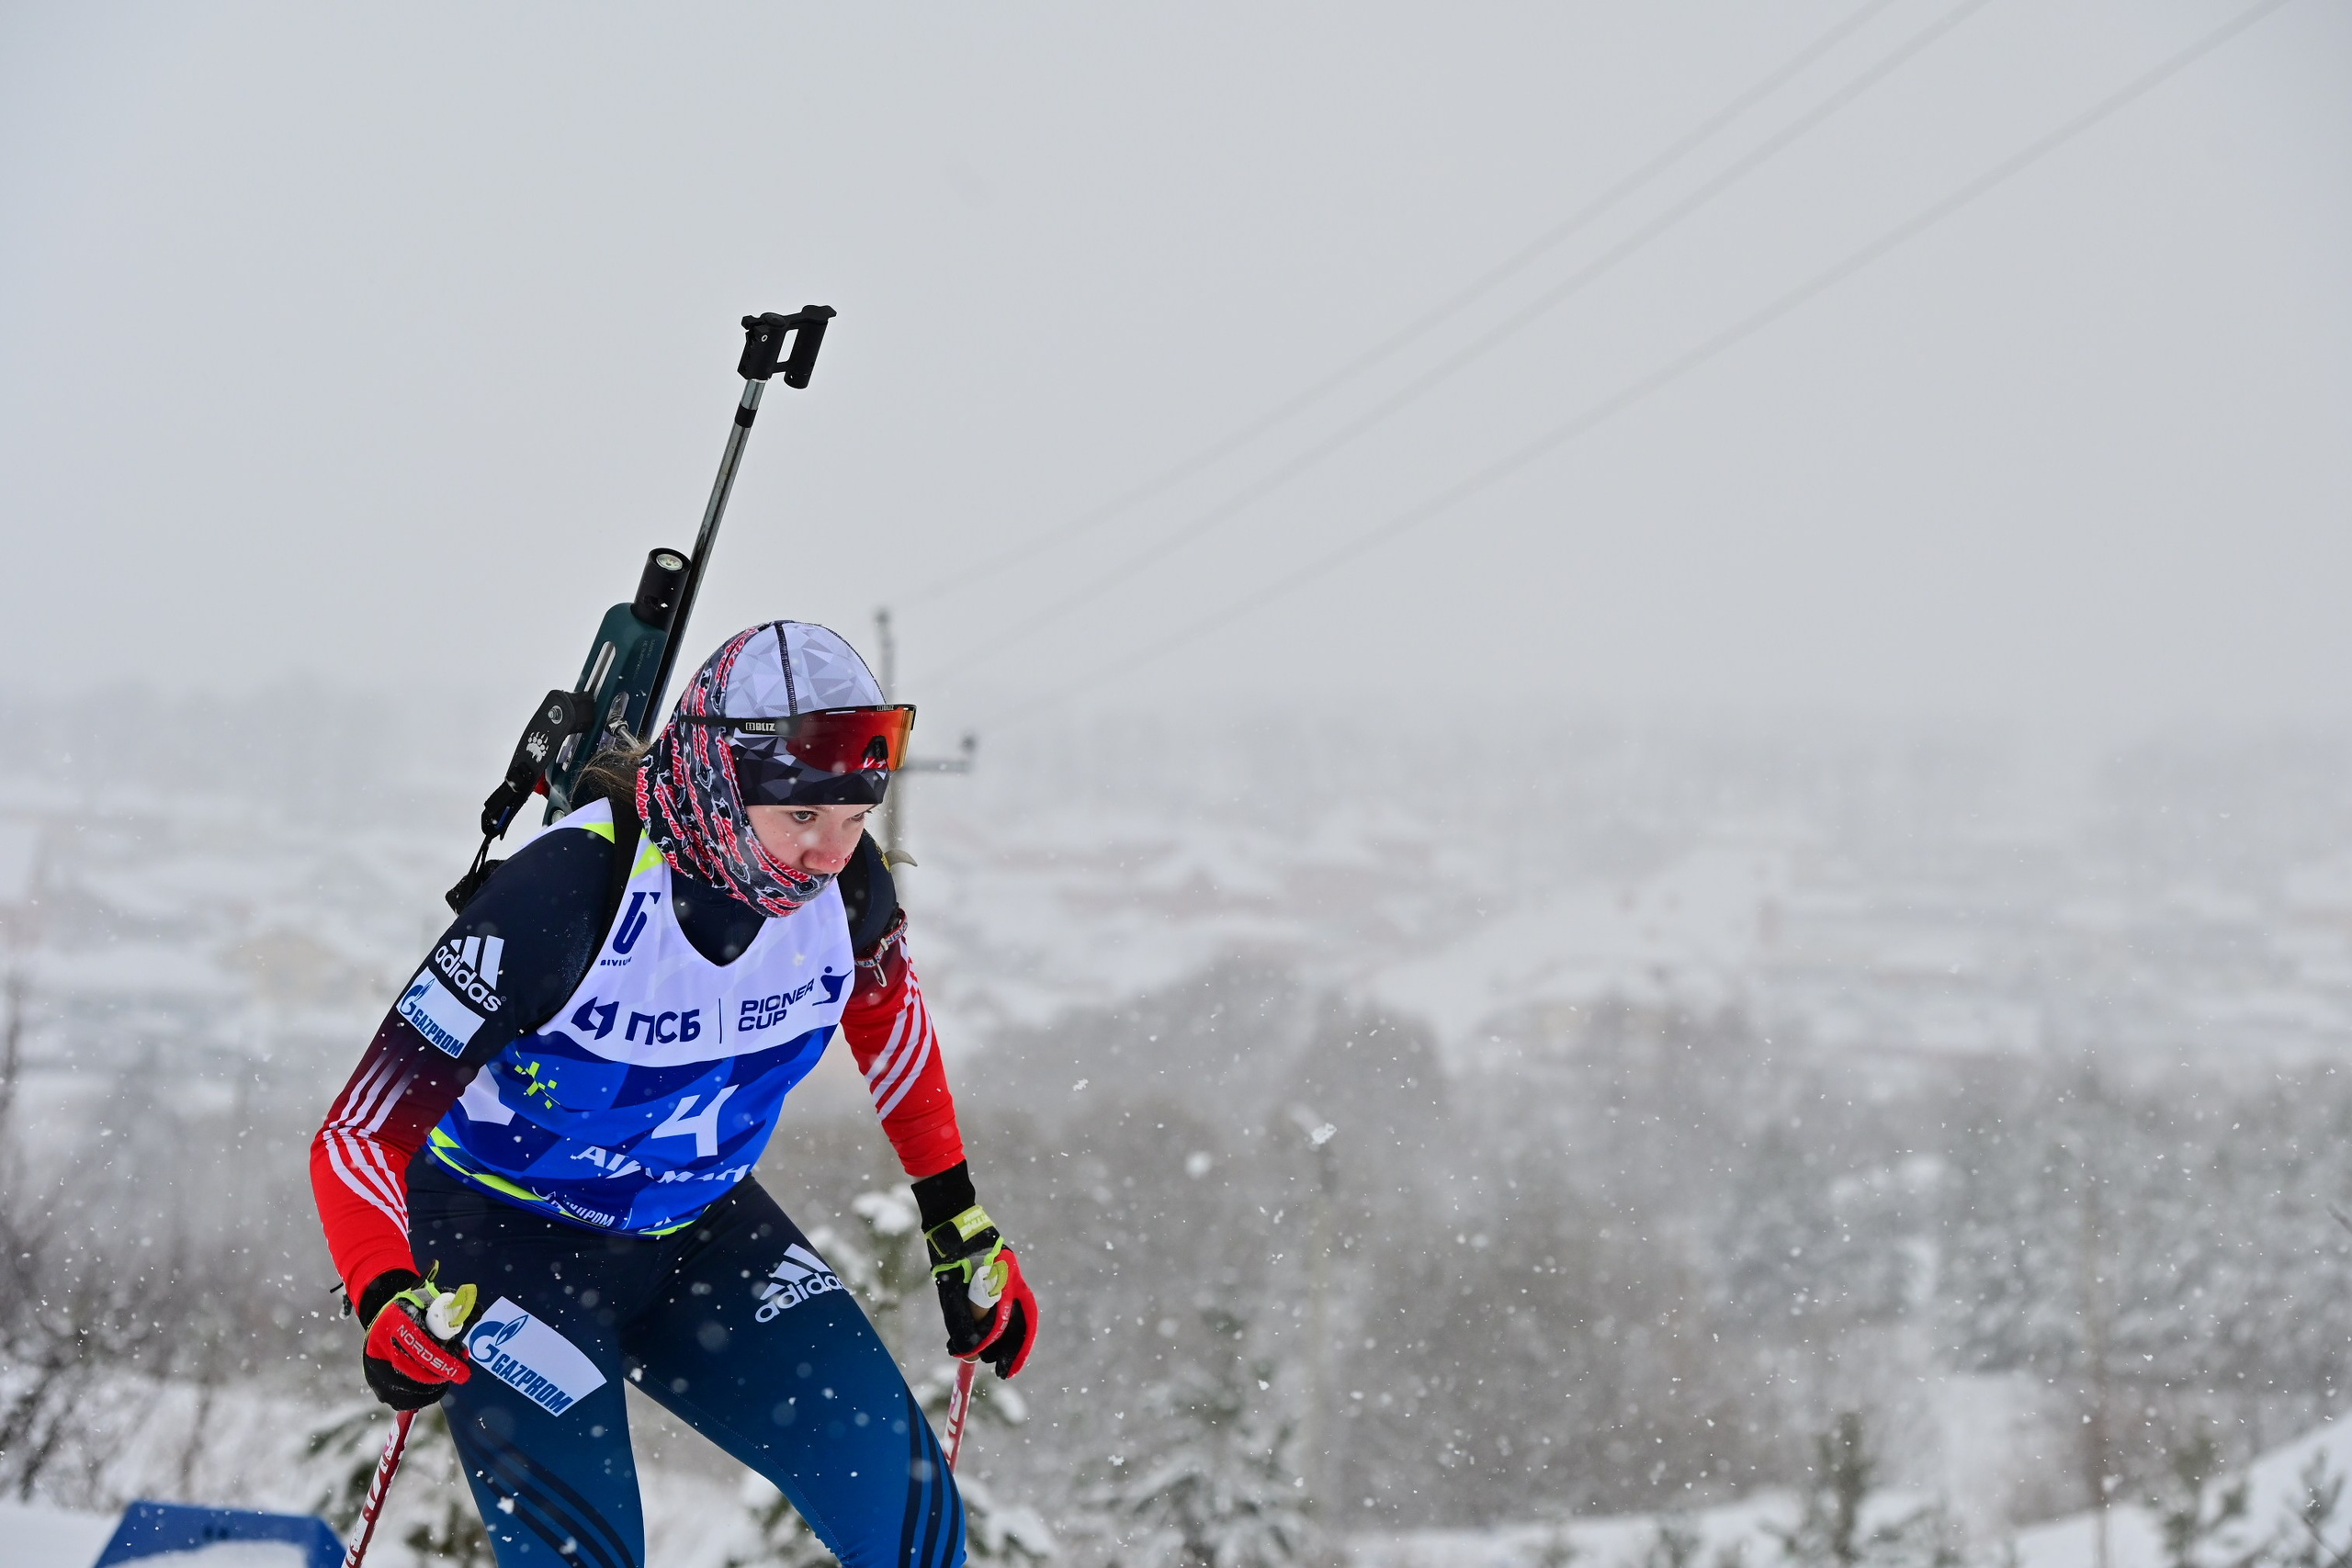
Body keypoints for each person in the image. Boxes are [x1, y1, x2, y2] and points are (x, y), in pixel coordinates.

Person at [311, 621, 1035, 1568]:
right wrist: (385, 1290)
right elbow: (357, 1132)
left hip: (701, 1233)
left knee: (911, 1528)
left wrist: (957, 1223)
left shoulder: (845, 890)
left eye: (856, 819)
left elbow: (893, 1032)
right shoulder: (568, 895)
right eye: (803, 820)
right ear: (719, 788)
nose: (831, 853)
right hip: (506, 1245)